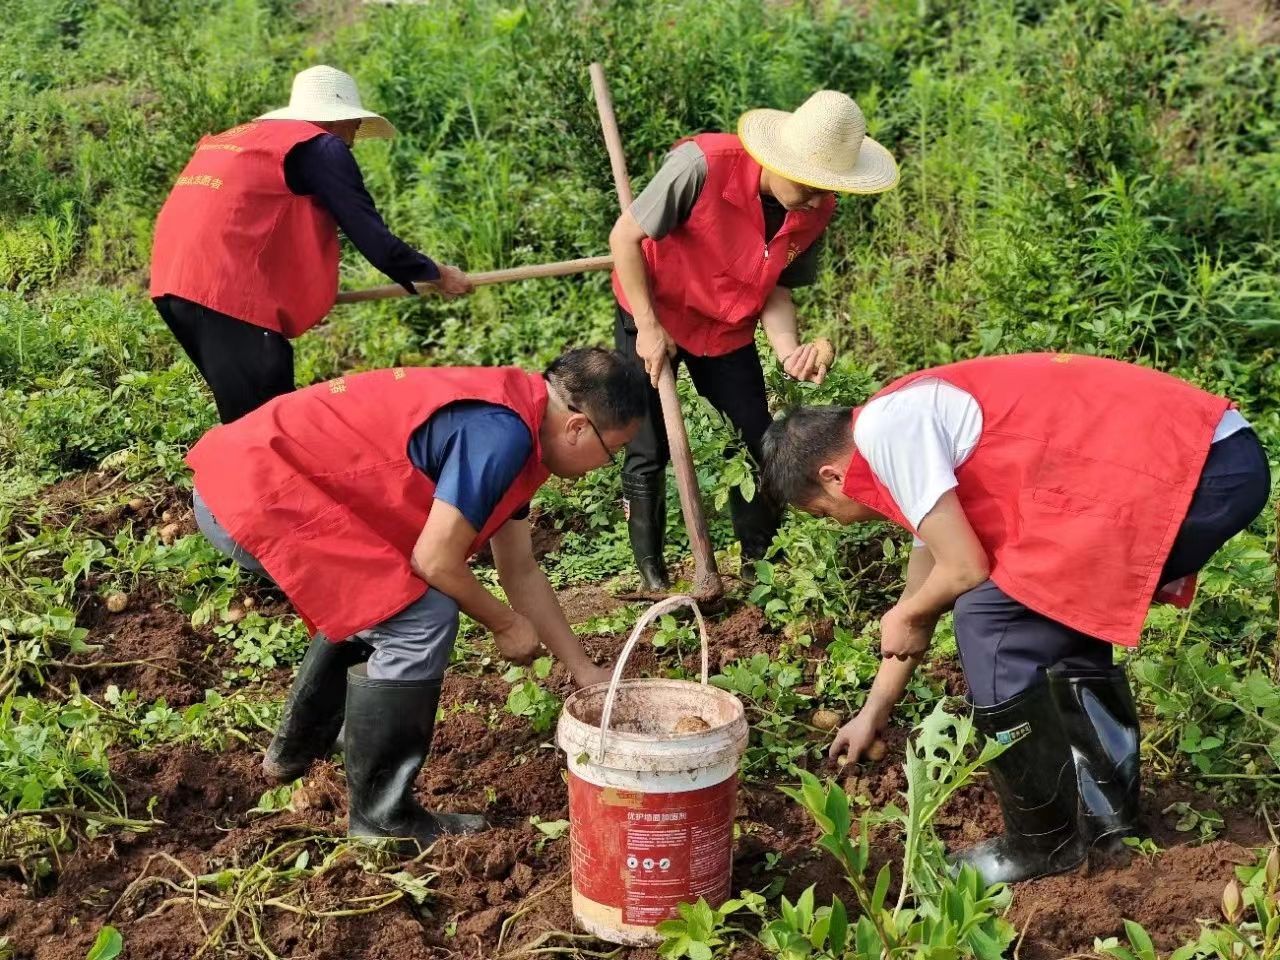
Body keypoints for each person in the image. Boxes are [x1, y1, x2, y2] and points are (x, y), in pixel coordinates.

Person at [760, 353, 1270, 885]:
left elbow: (962, 571)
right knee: (1052, 611)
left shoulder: (891, 431)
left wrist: (908, 611)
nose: (838, 523)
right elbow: (922, 596)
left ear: (832, 476)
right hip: (1211, 455)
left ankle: (1041, 844)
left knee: (991, 620)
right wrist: (873, 712)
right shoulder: (905, 437)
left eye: (823, 512)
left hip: (1194, 467)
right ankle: (1107, 825)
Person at [186, 348, 648, 847]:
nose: (606, 466)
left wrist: (584, 671)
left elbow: (520, 569)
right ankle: (382, 821)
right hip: (255, 493)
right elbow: (436, 561)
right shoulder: (501, 433)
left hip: (258, 477)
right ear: (578, 427)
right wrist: (503, 624)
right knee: (419, 617)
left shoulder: (522, 421)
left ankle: (297, 749)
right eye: (613, 450)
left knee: (383, 597)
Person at [608, 90, 899, 589]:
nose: (817, 197)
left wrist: (788, 351)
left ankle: (758, 565)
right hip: (654, 308)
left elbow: (777, 286)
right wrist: (650, 327)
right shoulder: (700, 166)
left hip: (725, 327)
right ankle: (651, 575)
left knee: (756, 440)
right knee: (648, 442)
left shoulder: (813, 209)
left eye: (828, 188)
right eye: (809, 183)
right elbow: (624, 239)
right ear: (777, 158)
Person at [150, 65, 473, 424]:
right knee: (265, 430)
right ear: (339, 119)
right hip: (223, 294)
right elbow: (374, 240)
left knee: (248, 423)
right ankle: (219, 482)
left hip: (175, 286)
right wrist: (438, 274)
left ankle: (228, 479)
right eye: (356, 124)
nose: (355, 136)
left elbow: (244, 222)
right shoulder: (322, 147)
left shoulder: (248, 140)